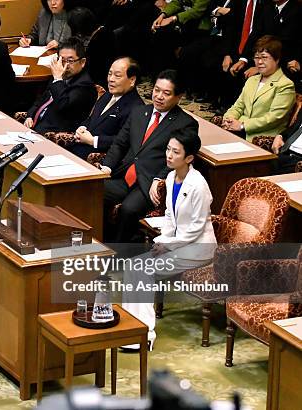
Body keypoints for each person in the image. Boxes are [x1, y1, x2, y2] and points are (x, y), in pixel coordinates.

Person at [121, 133, 217, 350]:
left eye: (176, 152)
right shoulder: (172, 177)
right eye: (168, 149)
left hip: (198, 248)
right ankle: (130, 327)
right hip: (178, 243)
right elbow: (170, 217)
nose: (169, 155)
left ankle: (145, 335)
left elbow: (195, 229)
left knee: (143, 270)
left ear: (189, 158)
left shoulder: (198, 186)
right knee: (132, 266)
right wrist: (162, 239)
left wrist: (168, 245)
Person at [100, 69, 198, 243]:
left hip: (148, 182)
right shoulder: (139, 112)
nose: (159, 96)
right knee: (91, 192)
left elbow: (179, 159)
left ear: (178, 97)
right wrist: (106, 166)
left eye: (166, 93)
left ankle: (119, 257)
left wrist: (159, 178)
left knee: (128, 210)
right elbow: (120, 143)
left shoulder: (186, 123)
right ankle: (98, 243)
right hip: (124, 175)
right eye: (156, 90)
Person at [68, 57, 144, 159]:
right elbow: (92, 119)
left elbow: (126, 140)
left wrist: (93, 140)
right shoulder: (107, 95)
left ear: (132, 80)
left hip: (96, 157)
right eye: (109, 74)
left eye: (117, 76)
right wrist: (83, 127)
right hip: (76, 147)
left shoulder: (137, 108)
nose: (111, 79)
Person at [222, 35, 295, 140]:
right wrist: (228, 119)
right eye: (257, 57)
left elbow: (273, 118)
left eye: (264, 57)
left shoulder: (285, 84)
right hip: (239, 130)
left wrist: (242, 125)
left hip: (263, 137)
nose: (259, 62)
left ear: (277, 59)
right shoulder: (252, 80)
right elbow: (238, 106)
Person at [23, 38, 97, 134]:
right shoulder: (59, 75)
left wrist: (58, 79)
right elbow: (41, 100)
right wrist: (30, 115)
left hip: (54, 134)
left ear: (82, 62)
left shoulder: (84, 85)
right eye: (61, 60)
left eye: (70, 61)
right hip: (34, 127)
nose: (65, 65)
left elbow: (63, 105)